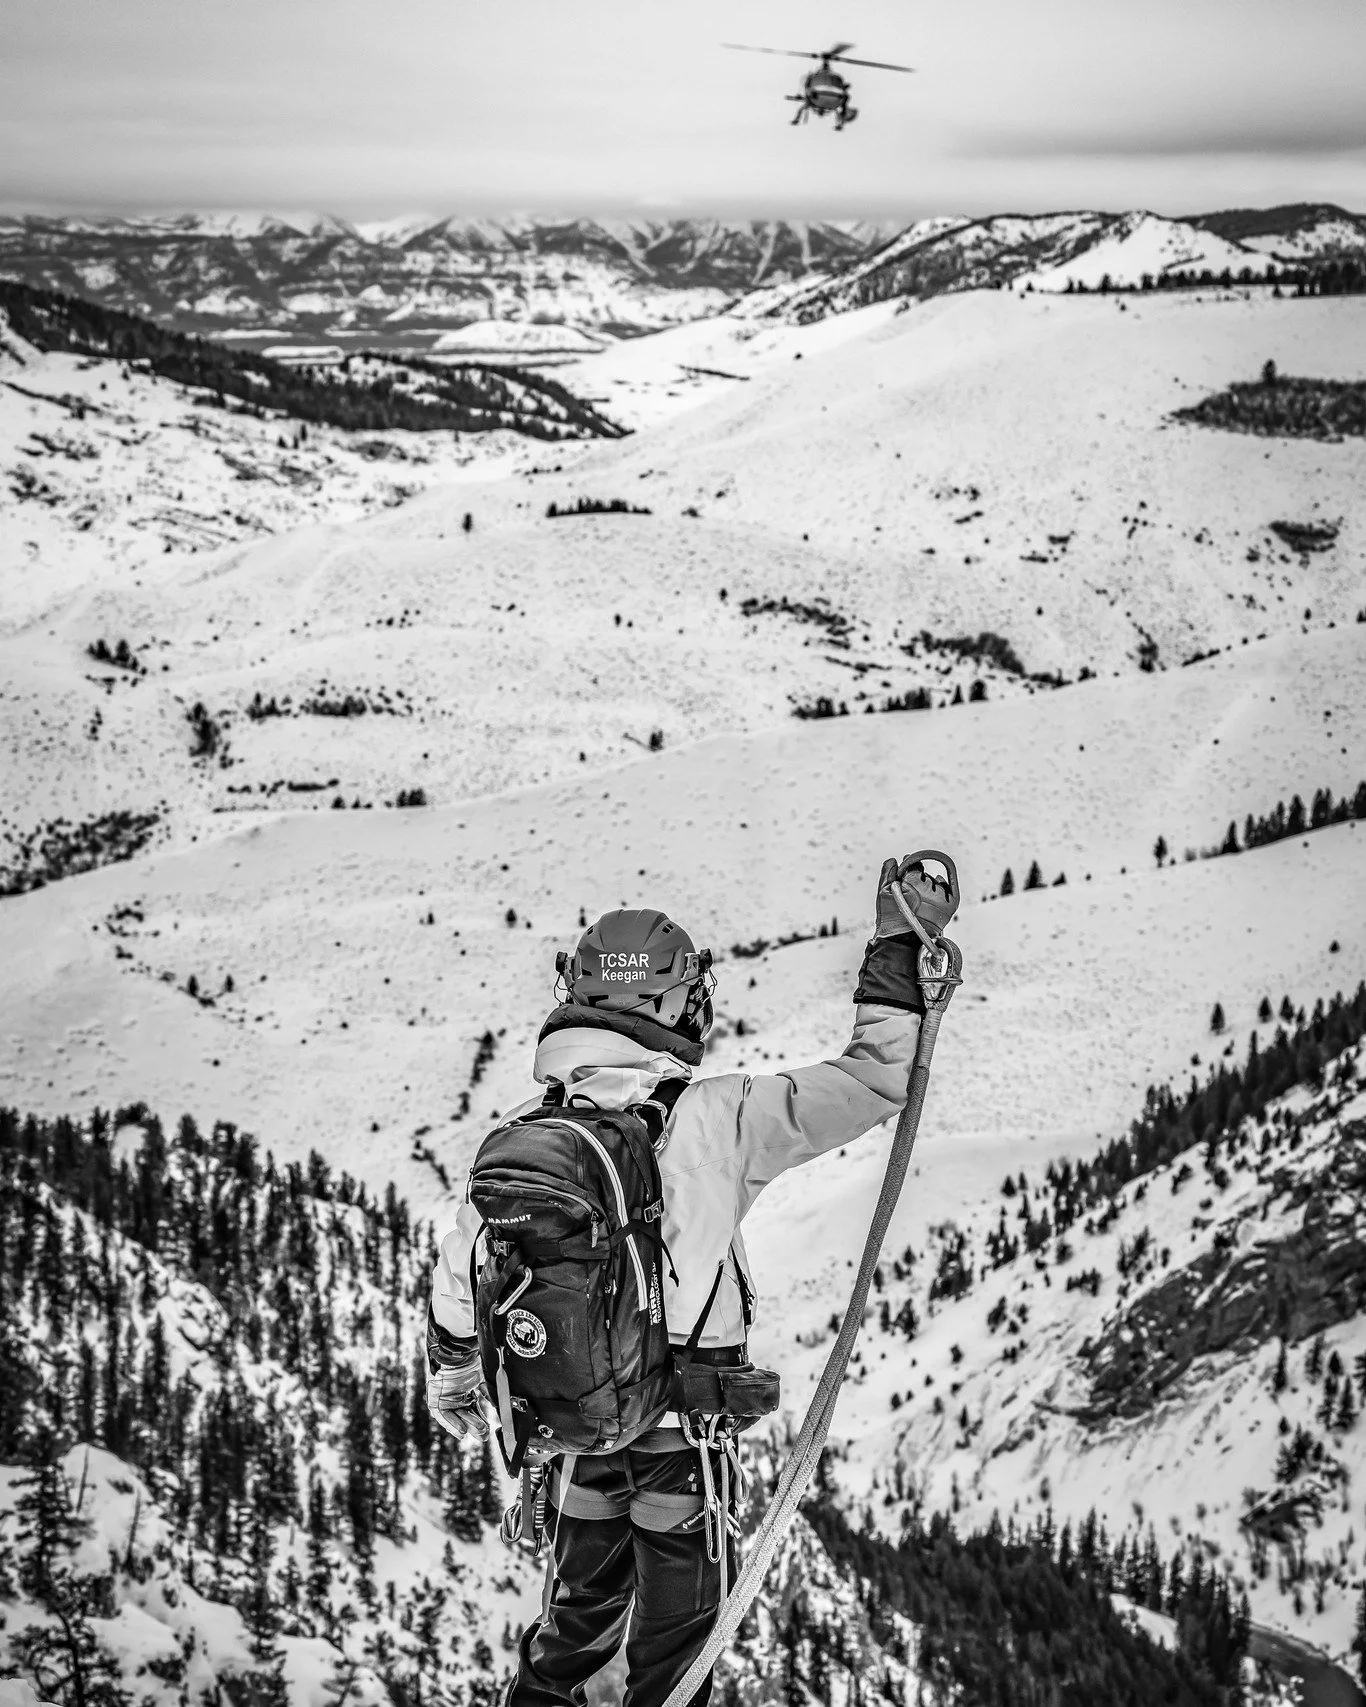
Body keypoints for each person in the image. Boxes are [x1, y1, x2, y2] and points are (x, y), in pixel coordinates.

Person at [425, 855, 954, 1707]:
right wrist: (898, 950)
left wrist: (454, 1371)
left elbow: (461, 1276)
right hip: (681, 1449)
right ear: (674, 1006)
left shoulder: (526, 1137)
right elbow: (872, 1081)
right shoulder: (719, 1119)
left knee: (570, 1639)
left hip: (577, 1440)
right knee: (675, 1666)